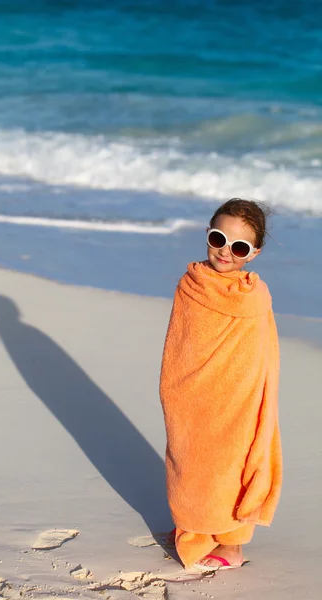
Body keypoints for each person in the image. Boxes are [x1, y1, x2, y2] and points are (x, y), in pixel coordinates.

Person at [159, 198, 282, 571]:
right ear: (208, 236)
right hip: (189, 392)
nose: (226, 251)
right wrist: (179, 386)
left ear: (254, 253)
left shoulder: (253, 297)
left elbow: (260, 354)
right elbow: (181, 342)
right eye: (218, 239)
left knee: (226, 465)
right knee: (188, 459)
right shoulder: (192, 281)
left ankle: (231, 544)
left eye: (239, 247)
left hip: (233, 398)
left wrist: (243, 396)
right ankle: (195, 525)